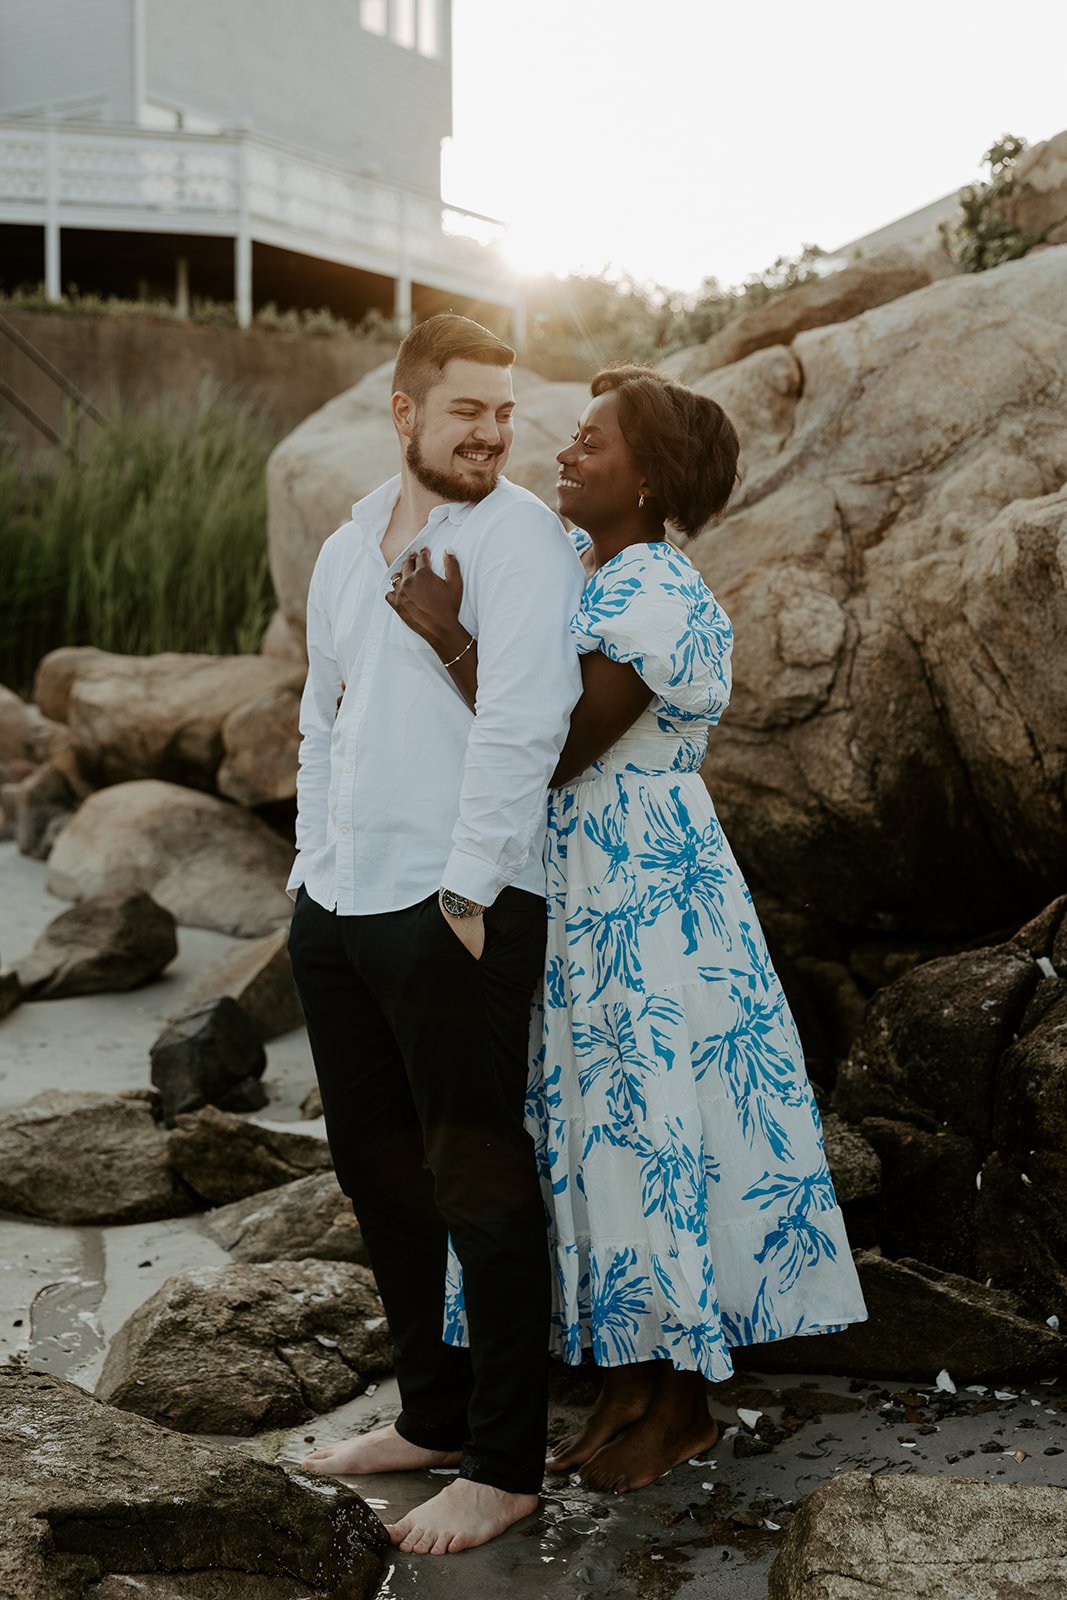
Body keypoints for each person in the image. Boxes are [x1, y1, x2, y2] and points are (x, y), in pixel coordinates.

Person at [390, 365, 868, 1496]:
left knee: (654, 1129)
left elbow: (556, 746)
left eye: (592, 442)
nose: (565, 452)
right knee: (598, 1132)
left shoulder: (654, 586)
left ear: (648, 478)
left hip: (644, 897)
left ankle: (682, 1405)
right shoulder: (599, 573)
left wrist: (445, 636)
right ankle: (625, 1383)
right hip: (587, 889)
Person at [286, 313, 585, 1553]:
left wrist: (464, 892)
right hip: (341, 904)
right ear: (405, 412)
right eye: (467, 410)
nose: (492, 433)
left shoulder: (520, 540)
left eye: (504, 412)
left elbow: (526, 720)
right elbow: (320, 714)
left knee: (478, 1180)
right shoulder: (352, 542)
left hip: (452, 908)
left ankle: (506, 1463)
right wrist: (309, 869)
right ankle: (433, 1413)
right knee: (377, 1167)